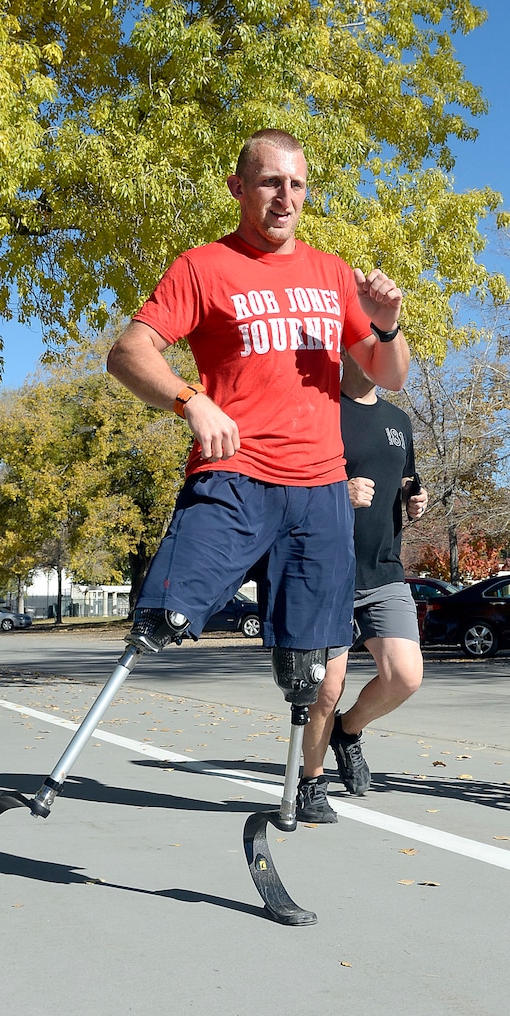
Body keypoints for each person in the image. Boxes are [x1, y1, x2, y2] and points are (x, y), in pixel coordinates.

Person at [107, 128, 410, 748]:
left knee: (310, 664)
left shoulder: (331, 274)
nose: (285, 197)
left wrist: (387, 325)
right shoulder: (204, 266)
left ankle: (302, 789)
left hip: (321, 489)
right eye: (272, 182)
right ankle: (52, 782)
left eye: (296, 184)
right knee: (163, 616)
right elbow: (128, 352)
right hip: (235, 474)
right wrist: (191, 401)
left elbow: (389, 375)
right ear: (238, 188)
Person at [295, 350, 428, 823]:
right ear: (344, 352)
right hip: (327, 571)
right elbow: (285, 485)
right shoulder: (316, 407)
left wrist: (416, 498)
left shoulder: (398, 420)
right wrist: (338, 492)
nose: (377, 357)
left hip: (383, 569)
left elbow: (407, 478)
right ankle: (310, 783)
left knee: (405, 676)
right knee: (324, 691)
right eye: (365, 345)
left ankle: (347, 733)